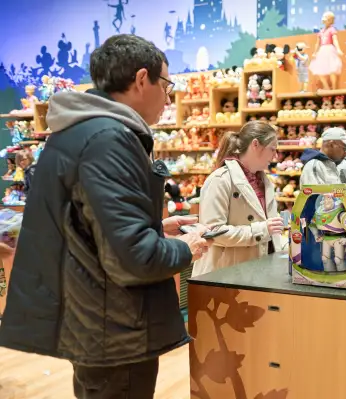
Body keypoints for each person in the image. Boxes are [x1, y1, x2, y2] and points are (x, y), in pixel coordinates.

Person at [0, 34, 212, 399]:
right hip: (115, 326)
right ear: (142, 79)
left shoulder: (82, 131)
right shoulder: (109, 139)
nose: (168, 96)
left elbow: (86, 229)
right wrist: (186, 247)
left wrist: (154, 227)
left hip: (94, 320)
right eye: (166, 84)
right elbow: (136, 258)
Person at [193, 121, 284, 276]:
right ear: (255, 145)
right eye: (272, 149)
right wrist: (261, 230)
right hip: (224, 274)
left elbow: (271, 230)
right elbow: (213, 232)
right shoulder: (220, 180)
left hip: (256, 272)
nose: (276, 156)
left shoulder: (264, 182)